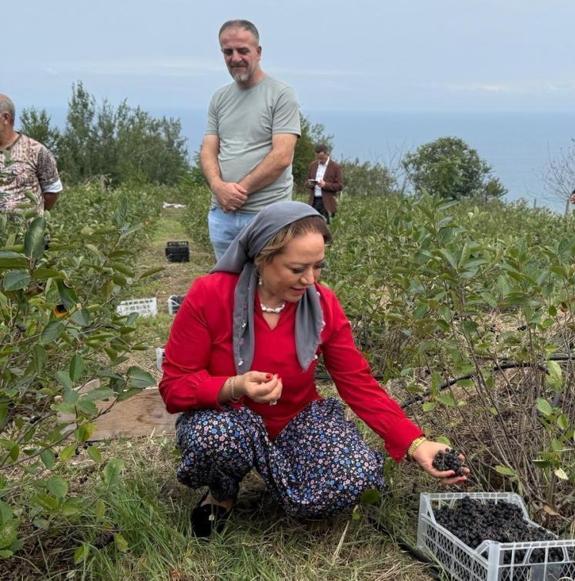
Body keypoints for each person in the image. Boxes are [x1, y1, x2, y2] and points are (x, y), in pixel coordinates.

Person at [159, 201, 468, 537]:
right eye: (297, 269)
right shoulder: (211, 295)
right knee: (215, 438)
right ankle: (222, 493)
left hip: (294, 419)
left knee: (356, 476)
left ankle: (287, 483)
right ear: (262, 258)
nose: (309, 280)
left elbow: (357, 383)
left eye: (318, 266)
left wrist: (415, 443)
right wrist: (235, 386)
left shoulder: (322, 305)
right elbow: (175, 386)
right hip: (228, 418)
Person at [200, 19, 301, 260]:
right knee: (226, 280)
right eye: (228, 52)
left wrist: (237, 192)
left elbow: (282, 156)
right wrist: (217, 186)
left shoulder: (281, 95)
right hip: (222, 215)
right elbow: (208, 150)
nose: (235, 58)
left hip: (266, 216)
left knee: (267, 281)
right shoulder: (219, 98)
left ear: (258, 52)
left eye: (243, 50)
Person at [0, 94, 63, 215]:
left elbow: (52, 191)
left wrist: (33, 216)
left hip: (26, 226)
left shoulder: (35, 150)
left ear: (6, 118)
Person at [306, 143, 343, 223]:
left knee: (326, 225)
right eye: (318, 158)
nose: (320, 160)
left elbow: (340, 186)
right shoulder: (313, 165)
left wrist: (325, 185)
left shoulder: (335, 167)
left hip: (327, 203)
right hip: (313, 201)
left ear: (327, 154)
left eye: (322, 158)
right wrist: (310, 184)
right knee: (313, 225)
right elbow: (306, 182)